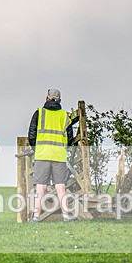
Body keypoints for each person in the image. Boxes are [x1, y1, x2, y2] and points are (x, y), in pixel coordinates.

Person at [27, 88, 77, 223]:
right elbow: (70, 138)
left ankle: (36, 217)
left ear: (47, 98)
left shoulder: (39, 113)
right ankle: (66, 216)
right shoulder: (65, 116)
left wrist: (36, 148)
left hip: (42, 154)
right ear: (60, 100)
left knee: (40, 187)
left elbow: (31, 135)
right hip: (59, 155)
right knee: (60, 186)